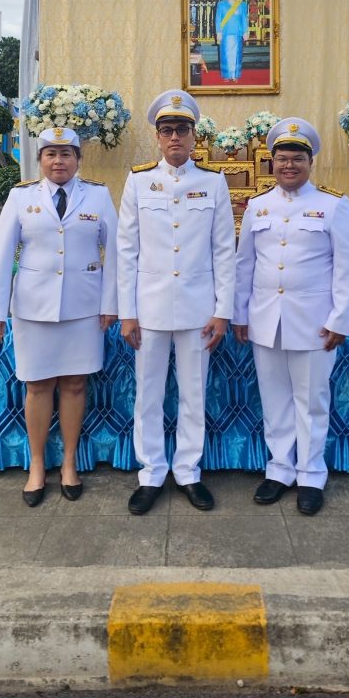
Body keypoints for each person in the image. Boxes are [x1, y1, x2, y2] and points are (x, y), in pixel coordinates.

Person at [0, 127, 118, 506]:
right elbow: (1, 255)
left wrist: (111, 304)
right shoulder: (20, 196)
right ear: (40, 159)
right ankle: (37, 464)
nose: (59, 161)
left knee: (75, 385)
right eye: (51, 154)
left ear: (78, 159)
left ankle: (70, 463)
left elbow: (116, 252)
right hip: (33, 309)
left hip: (83, 308)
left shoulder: (98, 195)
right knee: (38, 386)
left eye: (66, 154)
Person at [233, 117, 349, 516]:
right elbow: (245, 264)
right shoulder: (258, 206)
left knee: (311, 401)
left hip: (314, 322)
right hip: (266, 320)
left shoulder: (333, 205)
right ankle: (280, 469)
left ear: (310, 162)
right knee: (274, 400)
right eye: (282, 159)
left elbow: (346, 267)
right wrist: (240, 314)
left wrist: (339, 319)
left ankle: (311, 475)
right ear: (272, 163)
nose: (289, 165)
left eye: (297, 158)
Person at [117, 89, 236, 515]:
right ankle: (151, 473)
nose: (174, 138)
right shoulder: (137, 181)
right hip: (148, 309)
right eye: (167, 130)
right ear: (157, 136)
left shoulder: (213, 182)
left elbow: (224, 251)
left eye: (182, 130)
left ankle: (188, 471)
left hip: (198, 309)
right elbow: (126, 250)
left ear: (193, 135)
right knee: (148, 395)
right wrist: (127, 313)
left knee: (193, 394)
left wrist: (223, 311)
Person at [215, 0, 249, 82]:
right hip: (225, 33)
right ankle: (226, 75)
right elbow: (218, 19)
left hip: (237, 34)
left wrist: (245, 31)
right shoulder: (221, 4)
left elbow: (244, 19)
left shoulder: (242, 4)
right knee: (225, 55)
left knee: (237, 55)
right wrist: (218, 32)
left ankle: (235, 75)